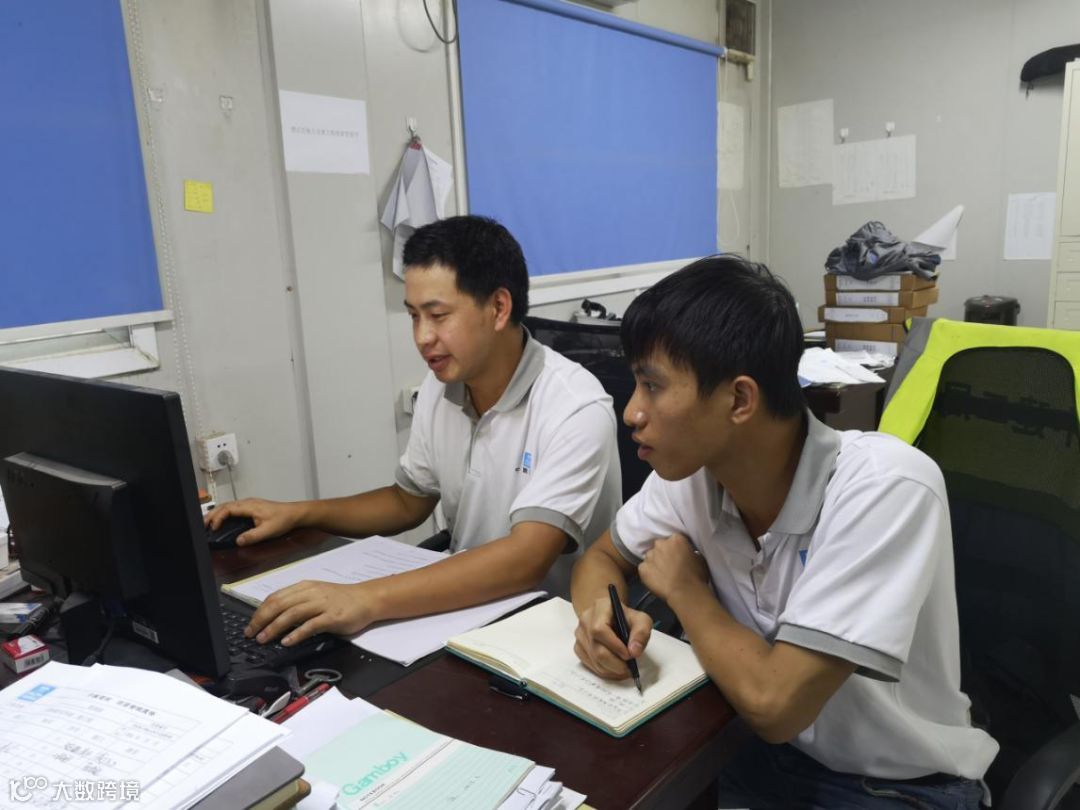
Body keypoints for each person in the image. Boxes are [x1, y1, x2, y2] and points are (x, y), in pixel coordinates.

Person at [570, 255, 998, 809]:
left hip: (893, 785)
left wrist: (686, 590)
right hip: (750, 753)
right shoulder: (691, 473)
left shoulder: (886, 487)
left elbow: (776, 706)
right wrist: (601, 618)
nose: (632, 412)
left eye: (652, 385)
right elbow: (601, 558)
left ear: (739, 400)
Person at [208, 215, 620, 648]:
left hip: (555, 636)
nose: (422, 337)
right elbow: (407, 501)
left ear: (499, 308)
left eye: (438, 316)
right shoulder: (441, 386)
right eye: (413, 316)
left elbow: (526, 560)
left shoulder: (574, 408)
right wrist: (298, 513)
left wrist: (365, 598)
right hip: (462, 617)